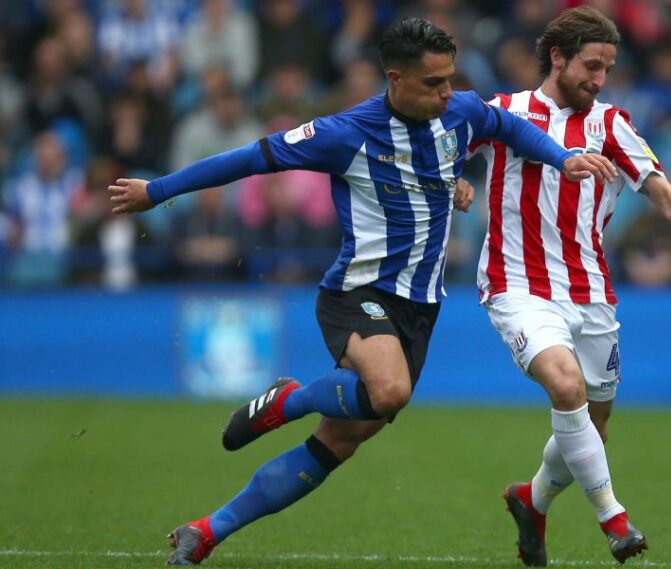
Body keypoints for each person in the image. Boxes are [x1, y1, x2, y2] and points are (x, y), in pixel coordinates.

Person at [109, 17, 616, 566]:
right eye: (433, 83)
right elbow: (250, 158)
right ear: (395, 79)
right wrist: (157, 190)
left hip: (421, 308)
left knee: (339, 442)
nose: (447, 93)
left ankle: (206, 531)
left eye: (450, 79)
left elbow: (510, 128)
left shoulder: (460, 111)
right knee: (390, 390)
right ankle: (292, 398)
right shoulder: (345, 133)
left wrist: (561, 158)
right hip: (358, 292)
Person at [464, 7, 671, 566]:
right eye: (591, 65)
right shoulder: (504, 112)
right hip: (518, 284)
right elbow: (437, 154)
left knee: (595, 424)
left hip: (590, 290)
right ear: (557, 58)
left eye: (607, 68)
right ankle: (614, 519)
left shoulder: (611, 124)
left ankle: (532, 500)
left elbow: (657, 186)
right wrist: (451, 185)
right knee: (566, 387)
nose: (600, 78)